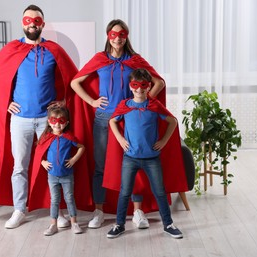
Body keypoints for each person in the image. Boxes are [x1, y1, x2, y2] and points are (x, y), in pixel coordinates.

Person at [0, 5, 81, 229]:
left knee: (52, 165)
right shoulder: (12, 49)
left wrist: (62, 101)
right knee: (19, 166)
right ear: (23, 23)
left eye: (37, 20)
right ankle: (19, 209)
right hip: (20, 119)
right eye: (28, 20)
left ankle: (56, 211)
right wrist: (5, 102)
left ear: (42, 23)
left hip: (48, 121)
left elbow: (72, 78)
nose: (32, 23)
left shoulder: (54, 50)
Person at [71, 19, 166, 229]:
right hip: (104, 118)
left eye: (121, 34)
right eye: (113, 34)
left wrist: (142, 100)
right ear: (108, 36)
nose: (118, 38)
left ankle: (138, 210)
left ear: (127, 36)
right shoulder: (100, 59)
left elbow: (159, 82)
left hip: (131, 119)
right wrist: (92, 101)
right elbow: (75, 82)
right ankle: (99, 211)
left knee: (135, 164)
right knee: (100, 165)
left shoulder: (135, 59)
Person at [106, 68, 183, 239]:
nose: (139, 89)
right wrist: (119, 139)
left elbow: (172, 121)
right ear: (130, 86)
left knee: (160, 191)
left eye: (143, 86)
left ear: (149, 87)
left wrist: (163, 141)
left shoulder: (154, 106)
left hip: (151, 158)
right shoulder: (125, 106)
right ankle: (119, 225)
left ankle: (168, 224)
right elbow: (112, 120)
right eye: (135, 85)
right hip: (130, 158)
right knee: (125, 191)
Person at [35, 107, 85, 236]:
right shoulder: (46, 137)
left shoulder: (69, 137)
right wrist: (43, 162)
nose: (57, 124)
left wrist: (74, 159)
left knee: (69, 198)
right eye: (54, 120)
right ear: (49, 122)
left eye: (61, 120)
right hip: (52, 175)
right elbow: (38, 152)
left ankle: (74, 223)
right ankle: (53, 224)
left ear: (66, 122)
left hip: (67, 175)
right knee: (54, 200)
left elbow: (81, 147)